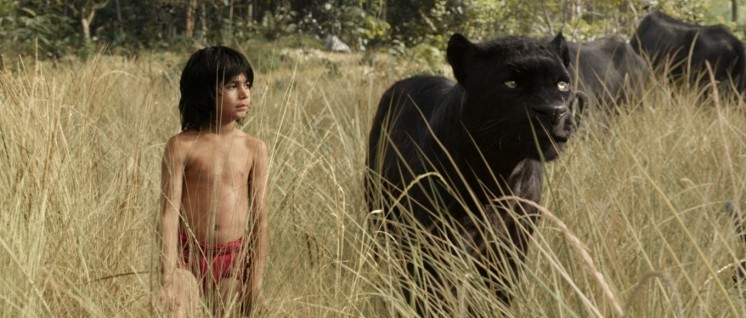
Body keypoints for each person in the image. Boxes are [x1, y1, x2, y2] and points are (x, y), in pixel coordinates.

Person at [158, 46, 269, 317]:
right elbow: (168, 215)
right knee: (176, 305)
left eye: (247, 85)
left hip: (232, 263)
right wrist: (167, 274)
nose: (244, 94)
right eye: (232, 85)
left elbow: (260, 220)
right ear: (204, 92)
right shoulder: (182, 146)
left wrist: (255, 284)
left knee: (231, 306)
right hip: (188, 259)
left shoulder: (254, 148)